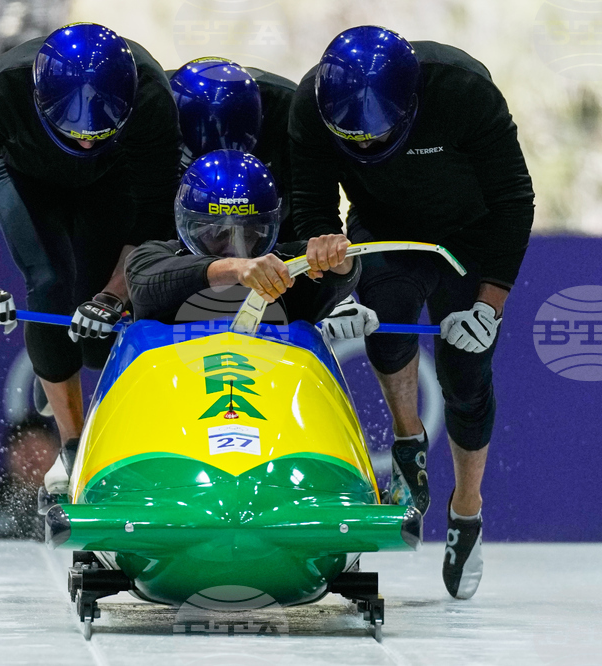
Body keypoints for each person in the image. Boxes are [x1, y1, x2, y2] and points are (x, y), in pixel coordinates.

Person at [290, 26, 535, 599]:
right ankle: (408, 441)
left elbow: (514, 199)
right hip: (386, 228)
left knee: (464, 371)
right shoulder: (310, 104)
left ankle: (466, 510)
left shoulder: (463, 90)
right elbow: (314, 208)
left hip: (469, 234)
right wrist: (336, 280)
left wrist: (489, 306)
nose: (368, 149)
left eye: (378, 137)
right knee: (382, 318)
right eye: (355, 140)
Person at [0, 23, 182, 495]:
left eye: (98, 131)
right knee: (51, 286)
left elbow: (155, 213)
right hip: (26, 176)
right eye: (74, 130)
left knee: (100, 329)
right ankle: (74, 447)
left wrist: (112, 295)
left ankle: (97, 405)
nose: (85, 142)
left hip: (113, 179)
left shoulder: (149, 98)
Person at [168, 57, 377, 337]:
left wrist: (335, 292)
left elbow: (311, 202)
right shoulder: (156, 117)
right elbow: (147, 210)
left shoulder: (289, 113)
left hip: (270, 219)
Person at [125, 149, 362, 334]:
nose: (233, 247)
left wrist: (336, 256)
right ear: (188, 225)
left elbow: (338, 275)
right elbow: (144, 282)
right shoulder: (151, 258)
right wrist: (236, 270)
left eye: (249, 233)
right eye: (215, 233)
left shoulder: (285, 267)